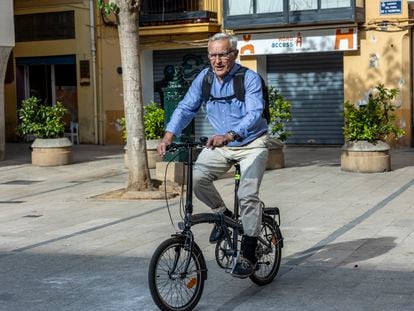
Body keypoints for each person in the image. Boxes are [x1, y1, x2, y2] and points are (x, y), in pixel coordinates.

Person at [157, 33, 268, 278]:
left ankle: (249, 253)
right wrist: (168, 136)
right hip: (222, 145)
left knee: (247, 195)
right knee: (196, 179)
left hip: (252, 144)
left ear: (234, 55)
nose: (217, 60)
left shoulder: (248, 79)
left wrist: (229, 134)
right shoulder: (204, 79)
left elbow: (255, 114)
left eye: (223, 54)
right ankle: (224, 217)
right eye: (213, 55)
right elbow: (186, 107)